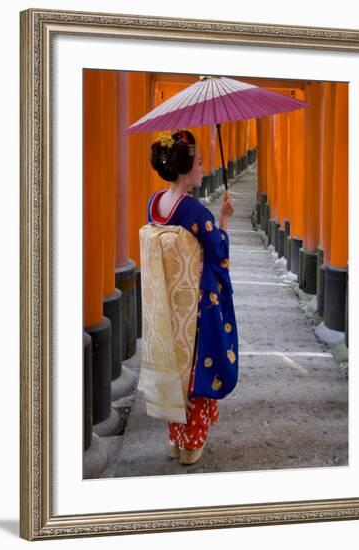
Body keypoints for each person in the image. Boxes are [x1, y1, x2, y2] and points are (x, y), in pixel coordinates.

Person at [147, 129, 238, 465]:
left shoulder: (155, 205)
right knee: (198, 370)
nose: (203, 167)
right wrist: (224, 219)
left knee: (175, 368)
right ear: (186, 169)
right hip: (197, 307)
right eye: (199, 161)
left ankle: (175, 439)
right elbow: (218, 255)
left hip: (168, 305)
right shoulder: (196, 213)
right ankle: (192, 443)